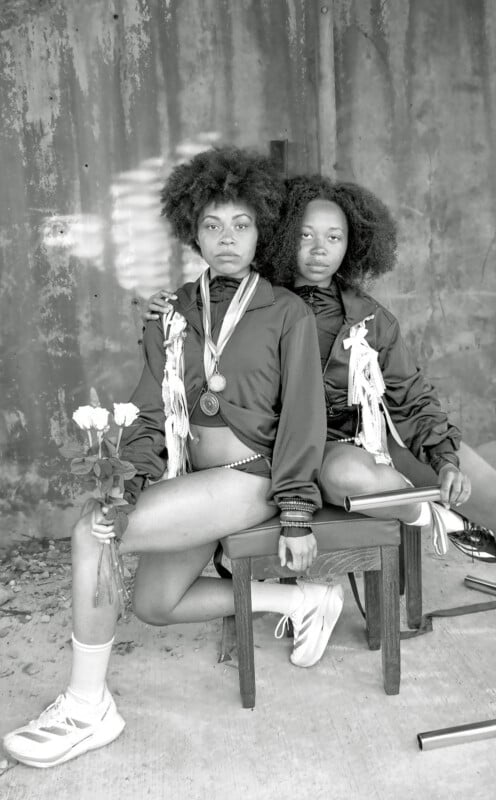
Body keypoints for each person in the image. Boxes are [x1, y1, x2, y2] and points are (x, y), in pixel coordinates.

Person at [3, 149, 343, 770]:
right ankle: (300, 603)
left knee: (92, 536)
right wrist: (125, 485)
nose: (227, 238)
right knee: (155, 605)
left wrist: (296, 513)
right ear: (193, 230)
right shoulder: (172, 313)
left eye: (241, 224)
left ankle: (87, 707)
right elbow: (150, 411)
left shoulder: (287, 312)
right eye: (212, 225)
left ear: (263, 229)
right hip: (192, 479)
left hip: (250, 477)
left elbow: (303, 418)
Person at [146, 172, 496, 588]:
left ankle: (439, 504)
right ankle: (435, 516)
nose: (319, 251)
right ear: (280, 236)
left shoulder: (370, 316)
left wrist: (444, 458)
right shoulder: (252, 304)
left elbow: (410, 399)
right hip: (315, 451)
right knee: (347, 475)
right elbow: (201, 334)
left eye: (335, 238)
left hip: (385, 439)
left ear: (352, 245)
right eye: (305, 236)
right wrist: (166, 307)